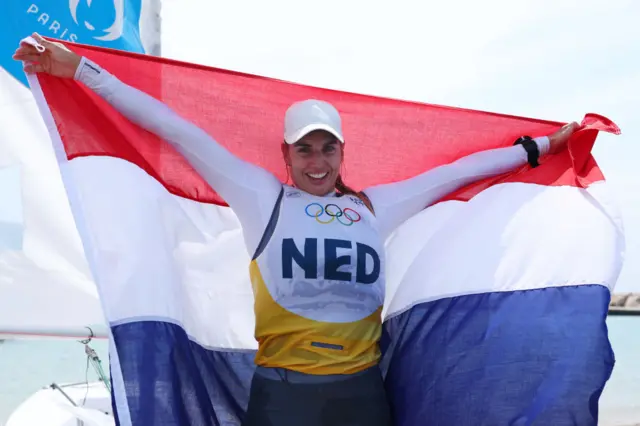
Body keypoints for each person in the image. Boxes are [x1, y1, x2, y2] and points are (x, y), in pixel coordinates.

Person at [13, 33, 578, 426]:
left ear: (340, 151)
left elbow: (458, 172)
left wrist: (542, 147)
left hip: (361, 397)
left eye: (326, 146)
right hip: (284, 402)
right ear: (286, 153)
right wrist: (80, 70)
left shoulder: (375, 208)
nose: (316, 158)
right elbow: (175, 129)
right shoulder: (263, 197)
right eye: (304, 147)